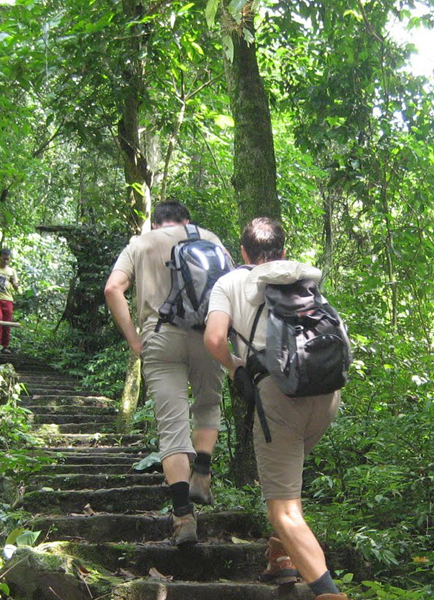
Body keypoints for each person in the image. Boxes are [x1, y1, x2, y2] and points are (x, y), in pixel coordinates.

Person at [204, 217, 348, 600]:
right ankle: (281, 557)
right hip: (327, 392)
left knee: (283, 510)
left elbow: (215, 337)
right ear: (282, 252)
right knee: (289, 487)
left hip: (280, 397)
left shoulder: (230, 282)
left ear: (244, 253)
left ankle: (328, 593)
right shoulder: (300, 277)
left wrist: (235, 366)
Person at [104, 201, 229, 546]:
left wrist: (134, 339)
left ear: (154, 223)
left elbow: (113, 288)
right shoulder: (210, 238)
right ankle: (201, 473)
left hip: (159, 337)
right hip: (207, 334)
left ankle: (183, 516)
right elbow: (232, 288)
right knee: (207, 403)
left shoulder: (141, 243)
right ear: (186, 221)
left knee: (172, 426)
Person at [0, 247, 20, 352]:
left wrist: (13, 282)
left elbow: (16, 287)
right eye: (4, 259)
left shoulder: (12, 271)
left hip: (8, 299)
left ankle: (5, 346)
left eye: (7, 259)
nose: (5, 261)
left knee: (7, 322)